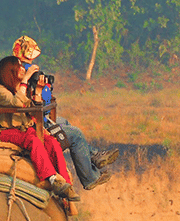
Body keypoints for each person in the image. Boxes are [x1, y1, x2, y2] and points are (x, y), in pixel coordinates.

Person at [11, 36, 118, 190]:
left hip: (29, 117)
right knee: (75, 134)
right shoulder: (23, 74)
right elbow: (38, 103)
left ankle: (94, 155)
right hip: (29, 122)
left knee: (63, 122)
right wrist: (42, 88)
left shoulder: (12, 70)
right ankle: (90, 178)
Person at [0, 56, 80, 202]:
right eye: (19, 67)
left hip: (26, 128)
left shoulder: (21, 88)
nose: (23, 69)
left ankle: (66, 184)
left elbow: (33, 110)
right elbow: (17, 103)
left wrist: (38, 91)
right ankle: (52, 178)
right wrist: (25, 80)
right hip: (8, 131)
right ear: (10, 71)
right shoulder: (1, 90)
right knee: (33, 141)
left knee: (52, 142)